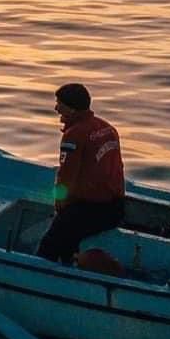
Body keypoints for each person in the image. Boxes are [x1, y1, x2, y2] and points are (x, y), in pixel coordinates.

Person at [37, 83, 125, 265]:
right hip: (116, 207)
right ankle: (68, 260)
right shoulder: (108, 128)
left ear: (71, 108)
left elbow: (65, 177)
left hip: (90, 209)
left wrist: (59, 204)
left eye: (59, 104)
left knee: (48, 246)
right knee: (68, 237)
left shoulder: (74, 135)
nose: (56, 108)